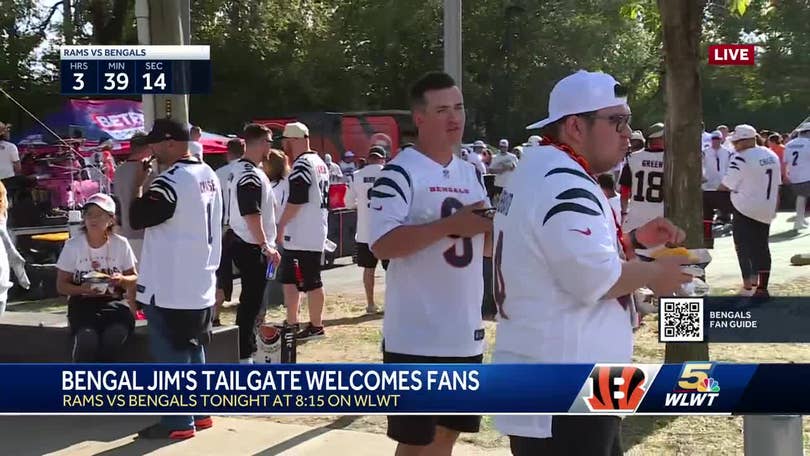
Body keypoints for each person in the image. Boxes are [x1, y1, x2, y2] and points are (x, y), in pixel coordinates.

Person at [495, 70, 690, 456]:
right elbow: (594, 279)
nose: (627, 133)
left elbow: (560, 255)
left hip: (559, 376)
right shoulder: (563, 181)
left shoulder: (539, 171)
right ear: (574, 127)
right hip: (568, 386)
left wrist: (634, 240)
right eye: (616, 121)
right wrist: (657, 274)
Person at [369, 71, 492, 456]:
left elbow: (483, 247)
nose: (454, 117)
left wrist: (498, 230)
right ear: (419, 118)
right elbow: (383, 245)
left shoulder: (472, 171)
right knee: (415, 440)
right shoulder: (400, 172)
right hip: (416, 335)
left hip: (464, 329)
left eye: (458, 107)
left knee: (448, 434)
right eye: (442, 110)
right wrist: (450, 225)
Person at [130, 118, 222, 439]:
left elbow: (138, 218)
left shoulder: (171, 180)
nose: (151, 149)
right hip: (200, 278)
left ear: (170, 143)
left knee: (170, 354)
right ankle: (200, 411)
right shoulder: (207, 172)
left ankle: (177, 421)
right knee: (193, 349)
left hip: (171, 281)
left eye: (155, 143)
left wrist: (138, 185)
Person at [56, 193, 137, 362]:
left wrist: (121, 279)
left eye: (99, 215)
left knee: (115, 336)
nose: (93, 219)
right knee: (87, 339)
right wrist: (81, 289)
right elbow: (61, 285)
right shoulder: (73, 245)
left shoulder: (121, 244)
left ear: (111, 219)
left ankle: (105, 380)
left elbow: (134, 278)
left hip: (114, 303)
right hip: (83, 303)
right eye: (89, 214)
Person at [226, 124, 281, 363]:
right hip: (250, 243)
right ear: (258, 143)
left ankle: (247, 352)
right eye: (269, 141)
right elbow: (251, 212)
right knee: (252, 303)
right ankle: (244, 356)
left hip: (243, 240)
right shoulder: (248, 174)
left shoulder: (235, 170)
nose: (271, 145)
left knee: (251, 301)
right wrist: (265, 246)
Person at [276, 121, 330, 340]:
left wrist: (281, 223)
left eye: (286, 142)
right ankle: (293, 321)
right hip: (310, 229)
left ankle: (316, 326)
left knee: (311, 281)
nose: (285, 147)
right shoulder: (318, 161)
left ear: (294, 141)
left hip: (302, 232)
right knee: (290, 279)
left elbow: (298, 198)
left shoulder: (302, 165)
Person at [718, 124, 781, 297]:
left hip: (744, 207)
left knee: (742, 245)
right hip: (766, 207)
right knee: (762, 246)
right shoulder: (771, 154)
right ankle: (762, 286)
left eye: (736, 142)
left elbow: (726, 185)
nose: (735, 146)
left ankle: (748, 284)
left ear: (744, 141)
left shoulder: (740, 158)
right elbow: (778, 184)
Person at [343, 146, 386, 314]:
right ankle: (391, 303)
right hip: (386, 229)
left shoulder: (357, 176)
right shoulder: (389, 173)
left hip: (365, 231)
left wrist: (360, 205)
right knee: (392, 271)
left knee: (369, 269)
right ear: (383, 159)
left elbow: (347, 203)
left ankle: (370, 304)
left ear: (368, 158)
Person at [213, 138, 246, 326]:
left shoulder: (218, 174)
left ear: (228, 153)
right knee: (249, 274)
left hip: (222, 228)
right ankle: (253, 315)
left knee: (221, 275)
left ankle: (215, 316)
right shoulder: (250, 171)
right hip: (244, 227)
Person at [619, 122, 666, 249]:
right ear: (660, 139)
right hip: (662, 218)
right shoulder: (671, 159)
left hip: (636, 218)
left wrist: (623, 212)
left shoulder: (633, 158)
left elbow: (624, 191)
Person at [113, 133, 156, 263]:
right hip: (143, 235)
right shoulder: (149, 172)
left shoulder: (118, 171)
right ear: (148, 147)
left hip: (122, 233)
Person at [702, 130, 735, 247]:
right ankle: (707, 239)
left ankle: (735, 232)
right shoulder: (705, 152)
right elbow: (700, 165)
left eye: (717, 139)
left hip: (722, 188)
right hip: (707, 188)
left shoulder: (727, 152)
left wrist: (729, 183)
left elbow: (731, 167)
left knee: (730, 210)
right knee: (706, 216)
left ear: (721, 139)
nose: (715, 141)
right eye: (713, 139)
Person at [784, 122, 810, 230]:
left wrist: (786, 175)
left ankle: (800, 219)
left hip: (794, 174)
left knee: (802, 197)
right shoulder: (808, 143)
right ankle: (798, 221)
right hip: (806, 174)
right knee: (802, 197)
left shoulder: (789, 144)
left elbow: (785, 161)